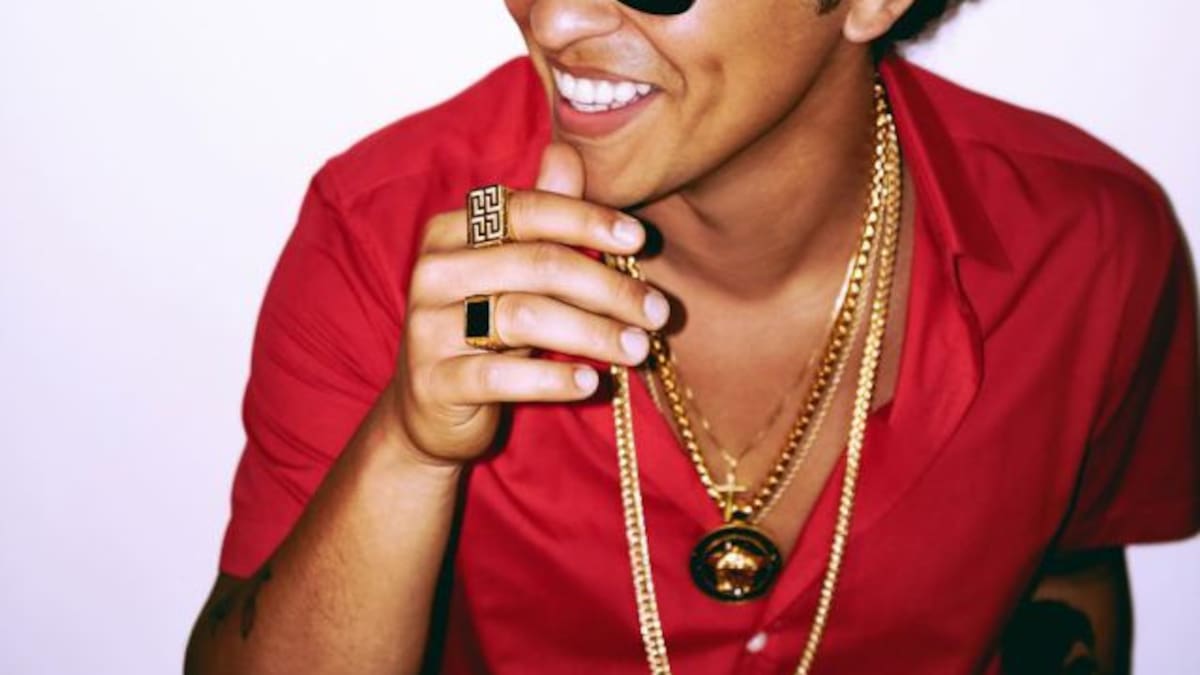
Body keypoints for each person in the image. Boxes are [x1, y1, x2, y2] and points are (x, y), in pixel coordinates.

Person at [184, 1, 1200, 673]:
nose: (553, 18)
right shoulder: (395, 228)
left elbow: (1068, 579)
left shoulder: (1087, 246)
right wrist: (409, 449)